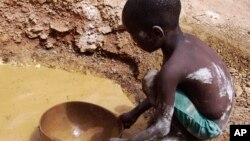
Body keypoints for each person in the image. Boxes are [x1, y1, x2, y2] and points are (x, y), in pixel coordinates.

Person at [109, 0, 234, 140]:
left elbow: (162, 128)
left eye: (135, 35)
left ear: (156, 33)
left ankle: (183, 135)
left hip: (209, 125)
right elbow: (163, 89)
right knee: (157, 81)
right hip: (220, 105)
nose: (133, 41)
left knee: (151, 82)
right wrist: (133, 114)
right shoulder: (186, 41)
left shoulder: (172, 69)